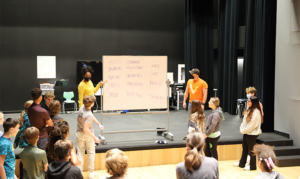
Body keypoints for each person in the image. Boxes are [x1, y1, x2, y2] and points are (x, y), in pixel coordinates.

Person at [76, 95, 104, 178]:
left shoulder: (82, 107)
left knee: (80, 153)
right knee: (91, 153)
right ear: (92, 103)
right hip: (88, 135)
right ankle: (91, 172)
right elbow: (86, 129)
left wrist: (98, 124)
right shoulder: (88, 114)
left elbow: (91, 116)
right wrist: (94, 138)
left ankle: (80, 172)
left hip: (79, 134)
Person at [233, 96, 263, 171]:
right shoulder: (249, 109)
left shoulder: (256, 112)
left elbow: (252, 125)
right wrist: (241, 128)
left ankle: (252, 166)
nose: (247, 102)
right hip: (247, 132)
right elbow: (244, 121)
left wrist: (243, 130)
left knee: (251, 150)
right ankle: (242, 163)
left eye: (249, 101)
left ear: (253, 103)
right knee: (245, 148)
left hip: (252, 133)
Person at [183, 68, 208, 140]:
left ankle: (200, 135)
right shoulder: (189, 81)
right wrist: (184, 101)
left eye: (192, 73)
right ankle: (190, 135)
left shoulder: (203, 83)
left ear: (196, 75)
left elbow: (205, 94)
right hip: (191, 103)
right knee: (190, 119)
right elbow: (186, 92)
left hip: (199, 104)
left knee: (200, 119)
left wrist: (203, 104)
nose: (191, 74)